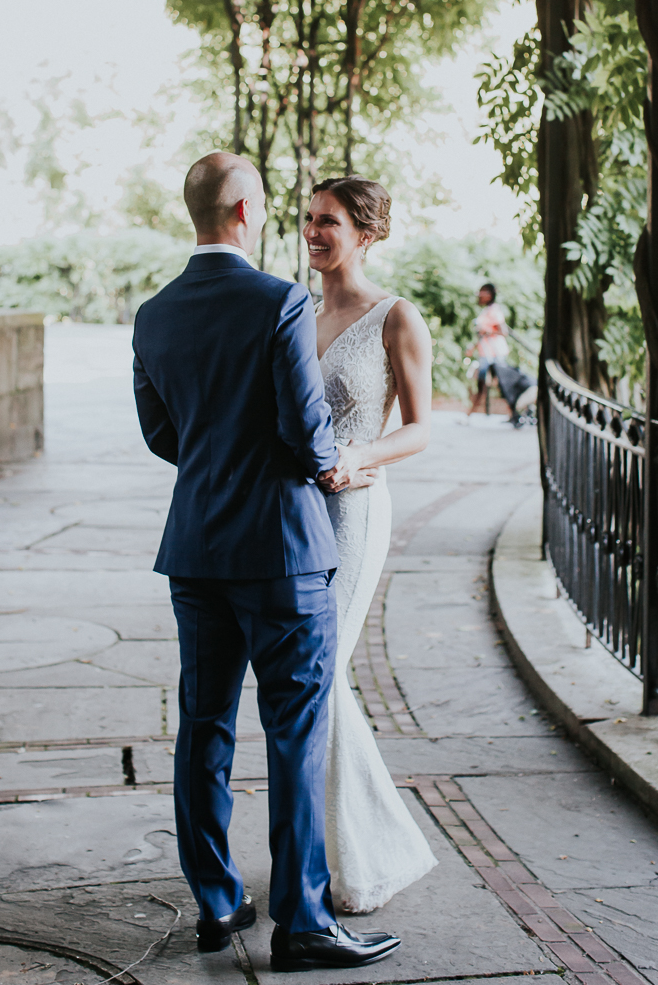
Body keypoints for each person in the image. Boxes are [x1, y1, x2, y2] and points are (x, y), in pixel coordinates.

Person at [132, 152, 400, 973]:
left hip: (195, 547)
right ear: (246, 211)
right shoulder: (279, 301)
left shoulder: (153, 312)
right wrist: (326, 463)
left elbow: (161, 434)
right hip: (284, 549)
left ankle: (216, 905)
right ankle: (303, 923)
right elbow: (305, 427)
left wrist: (219, 459)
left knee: (202, 727)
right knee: (294, 734)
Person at [304, 175, 439, 913]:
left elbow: (420, 427)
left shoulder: (395, 318)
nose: (314, 232)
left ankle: (371, 859)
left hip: (354, 512)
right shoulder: (295, 314)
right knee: (309, 680)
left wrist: (361, 457)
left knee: (317, 674)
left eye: (329, 221)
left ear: (365, 232)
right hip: (294, 515)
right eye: (308, 219)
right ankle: (343, 850)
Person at [465, 282, 509, 415]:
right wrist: (473, 347)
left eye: (482, 291)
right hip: (485, 354)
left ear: (490, 295)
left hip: (495, 354)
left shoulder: (494, 310)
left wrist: (487, 331)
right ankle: (469, 415)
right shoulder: (487, 310)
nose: (479, 294)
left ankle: (515, 413)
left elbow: (504, 331)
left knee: (501, 384)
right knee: (482, 384)